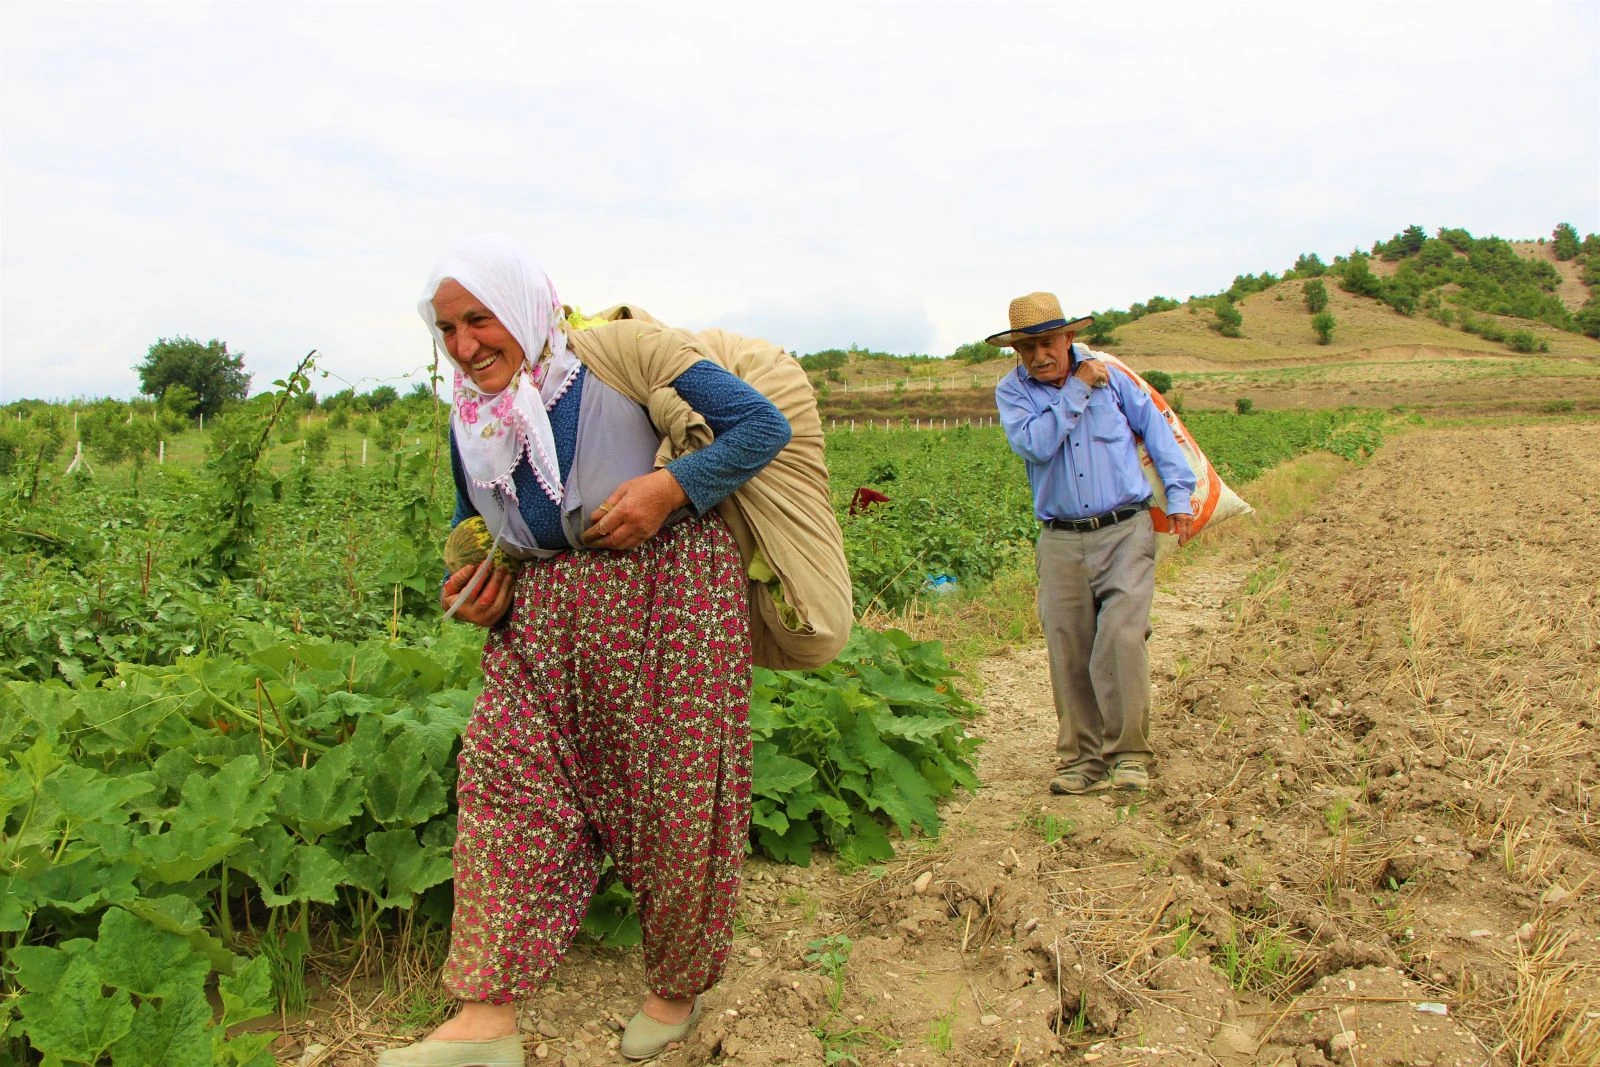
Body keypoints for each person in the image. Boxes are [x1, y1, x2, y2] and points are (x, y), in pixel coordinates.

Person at [379, 234, 792, 1067]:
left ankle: (675, 988)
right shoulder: (474, 418)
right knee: (503, 779)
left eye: (480, 320)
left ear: (525, 310)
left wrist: (673, 488)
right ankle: (484, 1016)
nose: (464, 346)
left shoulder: (619, 358)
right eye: (447, 328)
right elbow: (476, 526)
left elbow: (760, 425)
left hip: (666, 597)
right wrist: (471, 586)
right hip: (538, 625)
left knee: (673, 799)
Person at [990, 292, 1197, 797]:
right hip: (1060, 539)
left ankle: (1128, 754)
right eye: (1027, 348)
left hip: (1126, 529)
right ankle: (1081, 760)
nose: (1038, 356)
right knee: (1069, 647)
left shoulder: (1116, 378)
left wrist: (1180, 496)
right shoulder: (1014, 393)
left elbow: (1158, 433)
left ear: (1069, 338)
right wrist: (1078, 389)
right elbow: (1035, 444)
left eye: (1046, 343)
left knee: (1123, 639)